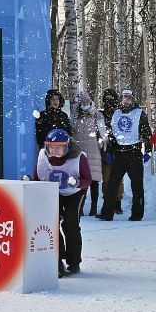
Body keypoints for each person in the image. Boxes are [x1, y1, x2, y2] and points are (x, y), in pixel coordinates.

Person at [34, 129, 92, 278]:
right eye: (51, 147)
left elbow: (88, 179)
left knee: (70, 224)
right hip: (54, 192)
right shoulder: (43, 157)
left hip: (75, 193)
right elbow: (38, 177)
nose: (54, 151)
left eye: (58, 147)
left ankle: (74, 262)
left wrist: (77, 182)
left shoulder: (79, 157)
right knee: (52, 225)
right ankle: (57, 261)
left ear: (67, 146)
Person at [96, 88, 152, 221]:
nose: (126, 100)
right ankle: (107, 213)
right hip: (119, 154)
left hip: (134, 153)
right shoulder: (116, 114)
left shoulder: (140, 113)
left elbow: (147, 134)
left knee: (137, 186)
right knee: (112, 184)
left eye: (129, 98)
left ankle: (137, 214)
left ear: (133, 99)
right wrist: (109, 151)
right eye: (124, 97)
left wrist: (148, 151)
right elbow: (112, 135)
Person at [71, 91, 107, 216]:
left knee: (94, 180)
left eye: (86, 100)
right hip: (79, 151)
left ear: (90, 101)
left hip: (93, 150)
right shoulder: (75, 115)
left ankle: (93, 207)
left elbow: (102, 132)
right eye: (82, 101)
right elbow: (72, 132)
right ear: (79, 102)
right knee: (81, 180)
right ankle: (79, 207)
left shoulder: (97, 115)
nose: (84, 102)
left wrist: (103, 145)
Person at [99, 89, 125, 214]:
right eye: (107, 98)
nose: (109, 101)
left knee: (119, 178)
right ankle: (107, 201)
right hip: (105, 149)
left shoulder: (119, 113)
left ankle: (118, 202)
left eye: (111, 98)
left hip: (119, 149)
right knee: (107, 178)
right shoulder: (101, 114)